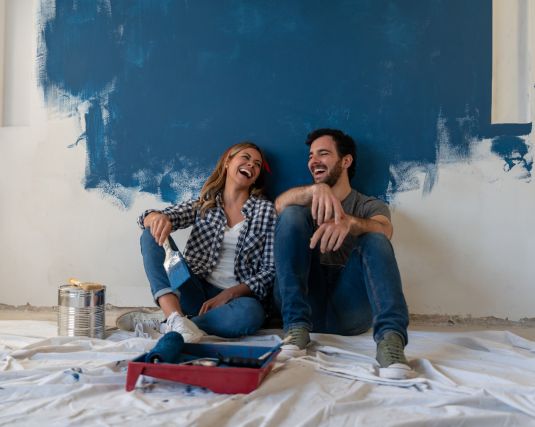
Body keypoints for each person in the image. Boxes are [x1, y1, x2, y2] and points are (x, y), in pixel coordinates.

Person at [274, 128, 411, 379]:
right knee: (292, 213)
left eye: (323, 153)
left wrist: (350, 223)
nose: (313, 161)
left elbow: (385, 229)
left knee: (375, 238)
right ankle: (295, 329)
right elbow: (279, 205)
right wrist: (314, 192)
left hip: (349, 308)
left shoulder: (369, 205)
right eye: (311, 156)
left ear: (345, 161)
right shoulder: (303, 198)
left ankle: (391, 342)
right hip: (305, 301)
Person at [116, 142, 276, 342]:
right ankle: (174, 316)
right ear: (228, 162)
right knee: (151, 234)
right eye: (245, 158)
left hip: (235, 302)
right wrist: (156, 218)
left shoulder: (266, 211)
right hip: (190, 287)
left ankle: (172, 323)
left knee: (252, 314)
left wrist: (229, 294)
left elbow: (269, 271)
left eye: (257, 164)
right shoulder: (205, 204)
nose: (251, 165)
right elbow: (147, 218)